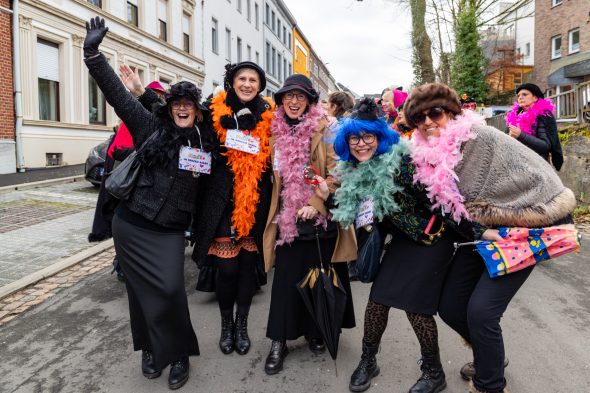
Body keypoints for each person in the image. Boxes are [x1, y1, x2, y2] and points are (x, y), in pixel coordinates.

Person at [403, 83, 576, 393]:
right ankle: (490, 356)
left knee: (481, 312)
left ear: (452, 113)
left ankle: (489, 384)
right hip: (480, 232)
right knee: (452, 305)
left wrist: (528, 215)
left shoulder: (480, 137)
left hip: (521, 232)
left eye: (435, 113)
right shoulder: (424, 155)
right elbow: (445, 205)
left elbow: (541, 174)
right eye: (418, 118)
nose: (428, 122)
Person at [83, 17, 216, 389]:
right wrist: (93, 54)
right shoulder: (150, 129)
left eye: (190, 104)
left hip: (170, 230)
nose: (183, 109)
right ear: (170, 108)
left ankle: (178, 355)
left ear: (198, 111)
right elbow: (117, 95)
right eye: (177, 104)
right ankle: (149, 349)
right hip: (132, 223)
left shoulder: (207, 145)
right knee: (140, 292)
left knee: (171, 290)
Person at [320, 97, 477, 393]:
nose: (361, 143)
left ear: (381, 138)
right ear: (345, 141)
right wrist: (326, 195)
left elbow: (441, 199)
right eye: (354, 137)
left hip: (434, 238)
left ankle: (434, 371)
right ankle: (369, 360)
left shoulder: (402, 163)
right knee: (378, 300)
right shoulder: (354, 171)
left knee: (415, 305)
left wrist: (479, 232)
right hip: (403, 241)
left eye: (369, 136)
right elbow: (352, 210)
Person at [262, 74, 356, 375]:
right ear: (280, 102)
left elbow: (338, 173)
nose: (293, 101)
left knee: (320, 276)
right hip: (287, 218)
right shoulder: (273, 133)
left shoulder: (325, 129)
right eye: (288, 96)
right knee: (286, 281)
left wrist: (314, 203)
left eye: (300, 96)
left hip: (319, 219)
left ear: (310, 101)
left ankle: (318, 329)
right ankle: (279, 340)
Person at [191, 61, 274, 357]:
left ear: (260, 85)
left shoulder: (269, 116)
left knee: (247, 270)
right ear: (232, 82)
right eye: (243, 78)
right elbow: (180, 116)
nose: (248, 84)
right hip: (222, 202)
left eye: (254, 79)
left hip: (255, 203)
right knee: (226, 269)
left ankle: (242, 326)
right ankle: (226, 325)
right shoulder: (214, 111)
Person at [505, 83, 563, 170]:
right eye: (518, 95)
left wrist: (521, 135)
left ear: (535, 97)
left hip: (537, 166)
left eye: (524, 94)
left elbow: (546, 146)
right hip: (518, 165)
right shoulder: (515, 115)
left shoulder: (543, 115)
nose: (520, 97)